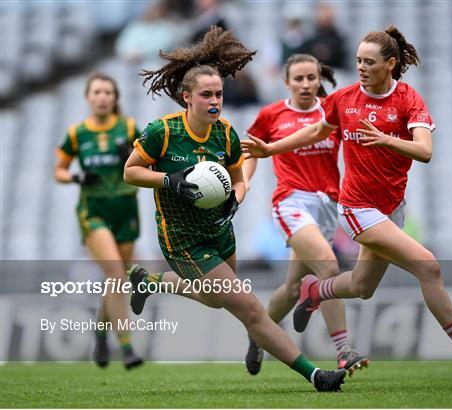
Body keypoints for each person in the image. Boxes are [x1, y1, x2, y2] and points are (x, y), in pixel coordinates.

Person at [242, 25, 452, 378]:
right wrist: (272, 148)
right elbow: (316, 131)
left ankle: (314, 291)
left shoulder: (408, 99)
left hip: (391, 208)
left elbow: (425, 151)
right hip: (357, 207)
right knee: (428, 266)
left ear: (391, 64)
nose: (361, 68)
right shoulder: (345, 98)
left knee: (361, 287)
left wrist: (386, 140)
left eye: (369, 62)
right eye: (358, 61)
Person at [123, 26, 347, 392]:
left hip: (220, 233)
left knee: (214, 301)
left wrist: (236, 198)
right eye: (206, 94)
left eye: (219, 94)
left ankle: (150, 282)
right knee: (251, 309)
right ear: (186, 97)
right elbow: (130, 171)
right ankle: (315, 376)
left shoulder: (226, 132)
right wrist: (170, 181)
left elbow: (238, 178)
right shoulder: (161, 132)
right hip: (183, 241)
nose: (215, 101)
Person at [242, 54, 367, 377]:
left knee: (294, 287)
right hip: (291, 201)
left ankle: (258, 334)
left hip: (326, 205)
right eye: (298, 78)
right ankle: (344, 351)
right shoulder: (271, 114)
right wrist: (244, 181)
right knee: (328, 265)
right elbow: (251, 151)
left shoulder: (331, 112)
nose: (306, 84)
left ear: (319, 80)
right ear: (287, 82)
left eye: (311, 77)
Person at [54, 72, 143, 370]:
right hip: (93, 211)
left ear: (115, 98)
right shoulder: (77, 133)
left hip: (126, 209)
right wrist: (77, 176)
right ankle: (127, 347)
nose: (103, 97)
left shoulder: (129, 126)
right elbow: (60, 171)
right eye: (97, 92)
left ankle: (100, 331)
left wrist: (132, 154)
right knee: (117, 275)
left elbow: (149, 160)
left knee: (117, 280)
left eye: (108, 92)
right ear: (88, 97)